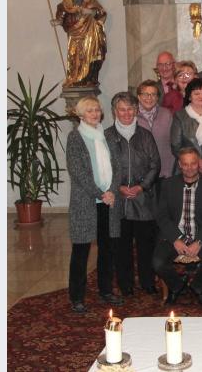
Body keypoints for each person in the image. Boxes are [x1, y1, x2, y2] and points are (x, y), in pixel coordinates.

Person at [65, 96, 122, 313]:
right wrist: (100, 193)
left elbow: (117, 166)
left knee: (107, 249)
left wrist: (112, 191)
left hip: (108, 201)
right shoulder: (75, 137)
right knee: (81, 250)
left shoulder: (107, 136)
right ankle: (77, 297)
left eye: (97, 110)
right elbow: (78, 172)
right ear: (80, 115)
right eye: (89, 111)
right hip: (86, 202)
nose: (95, 114)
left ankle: (105, 290)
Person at [104, 92, 161, 297]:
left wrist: (141, 187)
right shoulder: (106, 136)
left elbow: (155, 164)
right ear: (114, 112)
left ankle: (147, 281)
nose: (126, 113)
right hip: (117, 199)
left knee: (146, 244)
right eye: (122, 109)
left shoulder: (145, 135)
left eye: (130, 109)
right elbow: (102, 168)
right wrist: (117, 186)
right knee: (122, 245)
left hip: (143, 198)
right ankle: (125, 283)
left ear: (136, 111)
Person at [152, 147, 202, 306]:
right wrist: (176, 239)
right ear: (180, 165)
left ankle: (198, 287)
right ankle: (177, 286)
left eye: (193, 163)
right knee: (157, 262)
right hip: (174, 235)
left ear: (199, 163)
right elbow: (162, 216)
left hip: (200, 235)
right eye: (185, 164)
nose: (189, 168)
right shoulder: (168, 185)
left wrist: (199, 241)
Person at [53, 0, 106, 87]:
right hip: (74, 35)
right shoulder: (66, 1)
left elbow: (101, 12)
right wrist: (58, 21)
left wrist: (90, 12)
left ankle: (88, 80)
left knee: (89, 56)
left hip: (89, 34)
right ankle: (74, 79)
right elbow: (62, 14)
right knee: (74, 57)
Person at [137, 80, 175, 179]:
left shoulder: (166, 114)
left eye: (153, 94)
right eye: (145, 94)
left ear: (157, 98)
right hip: (140, 173)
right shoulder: (131, 116)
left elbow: (174, 142)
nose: (149, 98)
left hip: (165, 171)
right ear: (139, 97)